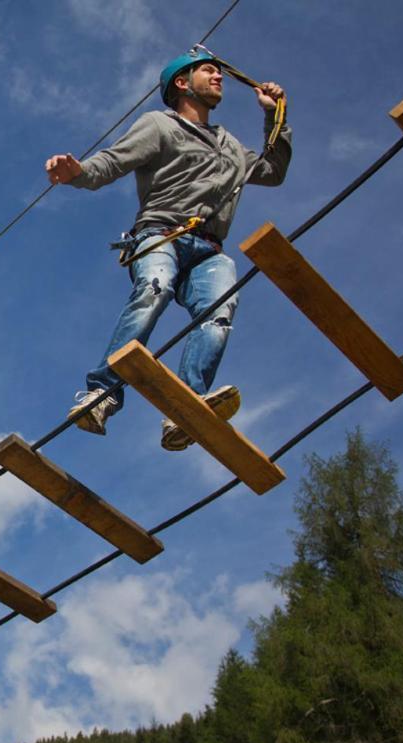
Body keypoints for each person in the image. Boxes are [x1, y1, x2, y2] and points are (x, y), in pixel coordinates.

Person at [46, 48, 291, 450]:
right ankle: (102, 395)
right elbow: (112, 162)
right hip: (163, 234)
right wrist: (79, 173)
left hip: (210, 248)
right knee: (153, 289)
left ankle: (186, 408)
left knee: (220, 310)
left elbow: (273, 171)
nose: (218, 77)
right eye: (209, 71)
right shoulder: (160, 124)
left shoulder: (231, 146)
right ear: (182, 83)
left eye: (219, 72)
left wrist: (273, 114)